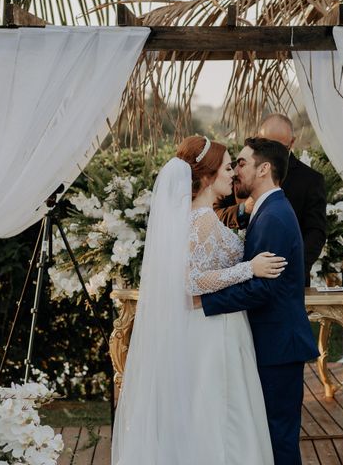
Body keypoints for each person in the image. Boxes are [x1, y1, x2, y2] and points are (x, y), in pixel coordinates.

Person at [111, 136, 286, 465]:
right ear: (207, 175)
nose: (232, 173)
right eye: (226, 166)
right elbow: (191, 281)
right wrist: (249, 268)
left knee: (201, 411)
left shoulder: (195, 217)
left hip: (207, 325)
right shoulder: (201, 220)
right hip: (214, 330)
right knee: (220, 415)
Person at [196, 137, 320, 465]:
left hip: (278, 346)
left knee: (279, 438)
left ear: (264, 169)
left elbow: (264, 289)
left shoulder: (275, 216)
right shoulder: (268, 211)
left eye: (242, 163)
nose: (236, 171)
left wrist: (205, 303)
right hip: (272, 343)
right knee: (270, 435)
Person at [215, 114, 327, 286]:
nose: (271, 151)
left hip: (288, 281)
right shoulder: (240, 169)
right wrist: (243, 209)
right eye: (265, 142)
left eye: (279, 146)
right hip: (239, 275)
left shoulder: (311, 180)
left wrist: (292, 268)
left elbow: (316, 232)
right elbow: (215, 214)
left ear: (292, 143)